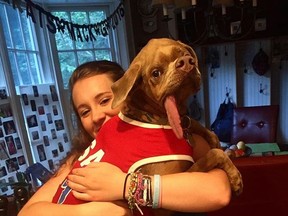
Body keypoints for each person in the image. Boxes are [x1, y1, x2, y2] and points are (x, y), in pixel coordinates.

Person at [19, 60, 231, 216]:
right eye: (84, 112)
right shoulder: (80, 159)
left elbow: (218, 192)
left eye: (104, 100)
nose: (96, 116)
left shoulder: (175, 138)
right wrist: (95, 211)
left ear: (129, 93)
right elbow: (29, 212)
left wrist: (125, 185)